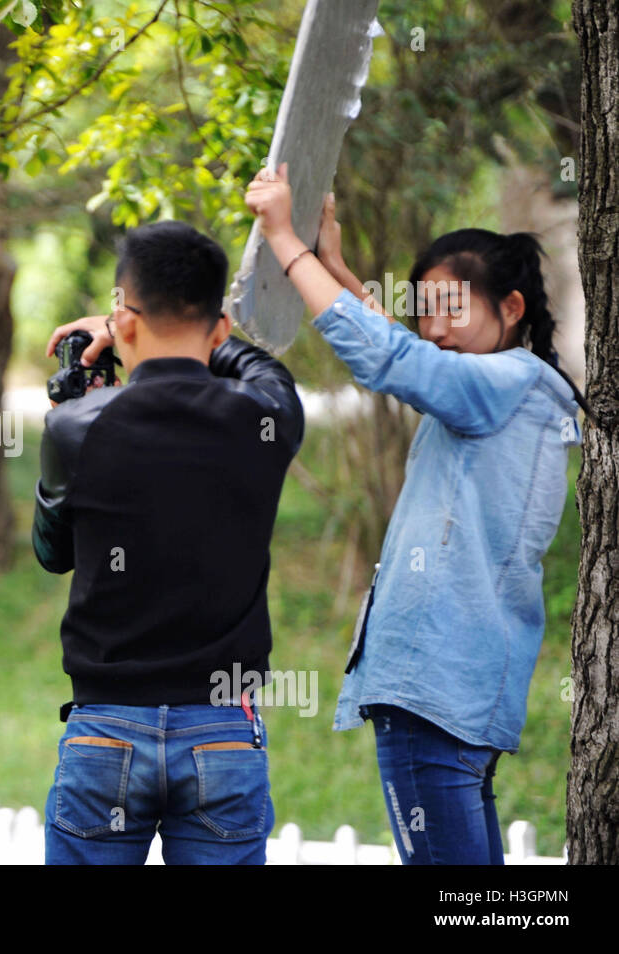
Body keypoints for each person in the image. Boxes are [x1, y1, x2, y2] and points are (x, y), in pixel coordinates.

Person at [244, 163, 584, 864]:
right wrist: (333, 262)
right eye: (423, 309)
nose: (434, 329)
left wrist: (289, 245)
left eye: (452, 308)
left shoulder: (507, 382)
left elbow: (389, 358)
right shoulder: (507, 390)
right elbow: (402, 350)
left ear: (512, 308)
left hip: (432, 693)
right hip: (455, 692)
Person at [34, 220, 304, 864]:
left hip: (106, 733)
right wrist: (207, 333)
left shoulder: (73, 429)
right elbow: (265, 370)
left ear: (124, 321)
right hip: (222, 730)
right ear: (216, 330)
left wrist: (114, 333)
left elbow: (53, 554)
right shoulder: (264, 417)